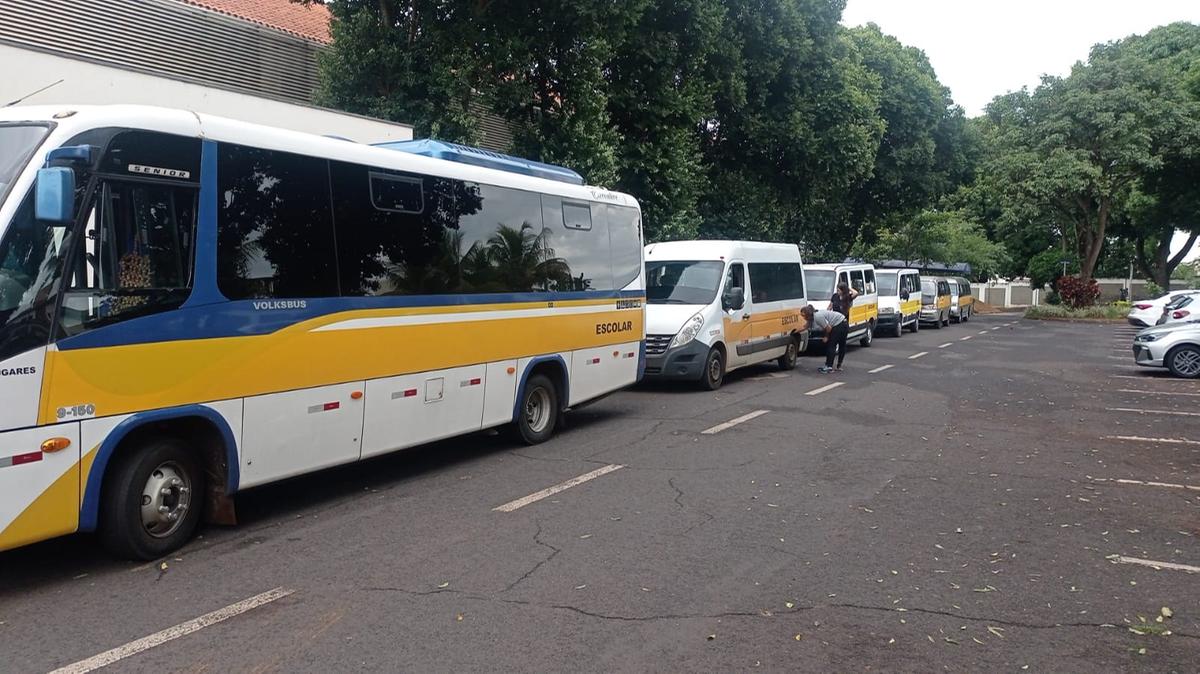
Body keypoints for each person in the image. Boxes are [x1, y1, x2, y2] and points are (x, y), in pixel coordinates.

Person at [801, 305, 849, 373]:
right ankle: (839, 365)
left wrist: (826, 336)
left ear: (808, 314)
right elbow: (805, 326)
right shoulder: (813, 316)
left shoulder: (817, 317)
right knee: (842, 344)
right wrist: (794, 331)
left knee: (831, 345)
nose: (803, 317)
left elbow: (828, 328)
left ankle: (829, 366)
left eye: (803, 315)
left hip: (839, 325)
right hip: (844, 322)